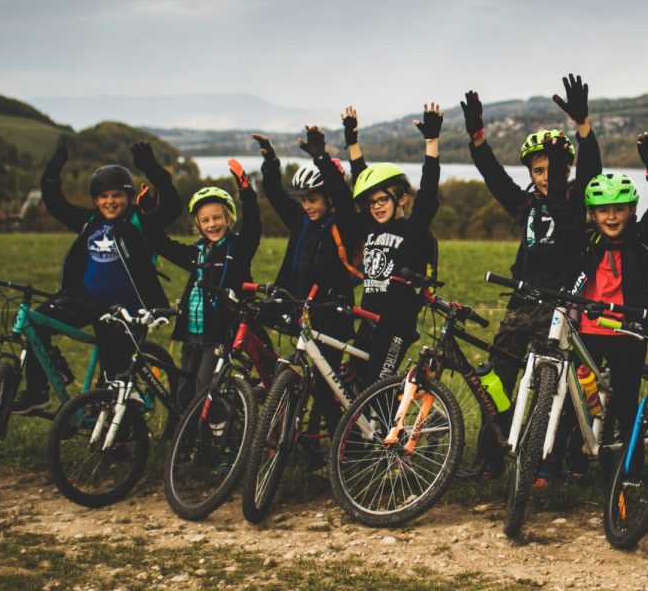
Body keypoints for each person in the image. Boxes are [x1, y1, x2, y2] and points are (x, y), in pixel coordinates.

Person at [460, 75, 602, 478]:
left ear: (566, 169)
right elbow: (493, 177)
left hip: (559, 308)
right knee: (497, 380)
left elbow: (593, 169)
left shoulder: (575, 201)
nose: (544, 176)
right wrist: (478, 139)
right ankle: (489, 458)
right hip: (521, 302)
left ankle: (548, 464)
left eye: (553, 169)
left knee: (550, 388)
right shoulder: (524, 204)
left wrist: (583, 127)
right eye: (538, 170)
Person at [13, 142, 181, 413]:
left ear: (127, 197)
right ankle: (37, 393)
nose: (110, 201)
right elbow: (56, 205)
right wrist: (53, 172)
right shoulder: (90, 222)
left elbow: (173, 206)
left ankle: (122, 438)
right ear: (95, 199)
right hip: (88, 297)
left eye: (116, 195)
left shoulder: (140, 222)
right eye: (103, 196)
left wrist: (151, 168)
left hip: (126, 308)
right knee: (35, 323)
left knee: (111, 385)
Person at [547, 130, 648, 486]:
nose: (612, 217)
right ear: (592, 214)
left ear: (632, 211)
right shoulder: (585, 238)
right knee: (577, 397)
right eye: (604, 210)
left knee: (626, 402)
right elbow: (558, 205)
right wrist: (557, 166)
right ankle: (573, 461)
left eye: (619, 209)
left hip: (628, 332)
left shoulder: (642, 240)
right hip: (587, 331)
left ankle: (624, 468)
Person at [254, 128, 363, 440]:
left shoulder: (344, 224)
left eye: (313, 199)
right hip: (302, 309)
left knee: (328, 389)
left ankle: (342, 449)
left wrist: (321, 158)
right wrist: (271, 163)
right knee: (307, 382)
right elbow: (274, 195)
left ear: (327, 197)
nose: (307, 206)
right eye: (302, 201)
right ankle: (309, 445)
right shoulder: (303, 222)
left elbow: (343, 197)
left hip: (333, 315)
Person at [347, 103, 442, 388]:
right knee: (355, 380)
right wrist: (352, 143)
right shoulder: (372, 227)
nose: (376, 207)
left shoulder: (412, 229)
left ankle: (392, 432)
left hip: (396, 325)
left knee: (378, 386)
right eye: (372, 202)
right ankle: (368, 431)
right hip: (369, 320)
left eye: (383, 200)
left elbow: (428, 192)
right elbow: (361, 176)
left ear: (401, 199)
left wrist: (431, 143)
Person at [152, 161, 261, 409]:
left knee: (205, 389)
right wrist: (150, 212)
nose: (212, 224)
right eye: (205, 221)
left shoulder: (238, 249)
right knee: (183, 389)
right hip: (192, 334)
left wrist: (246, 191)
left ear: (229, 218)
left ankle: (212, 434)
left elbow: (253, 227)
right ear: (198, 225)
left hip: (218, 334)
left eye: (217, 218)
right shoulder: (196, 253)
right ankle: (185, 438)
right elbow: (161, 244)